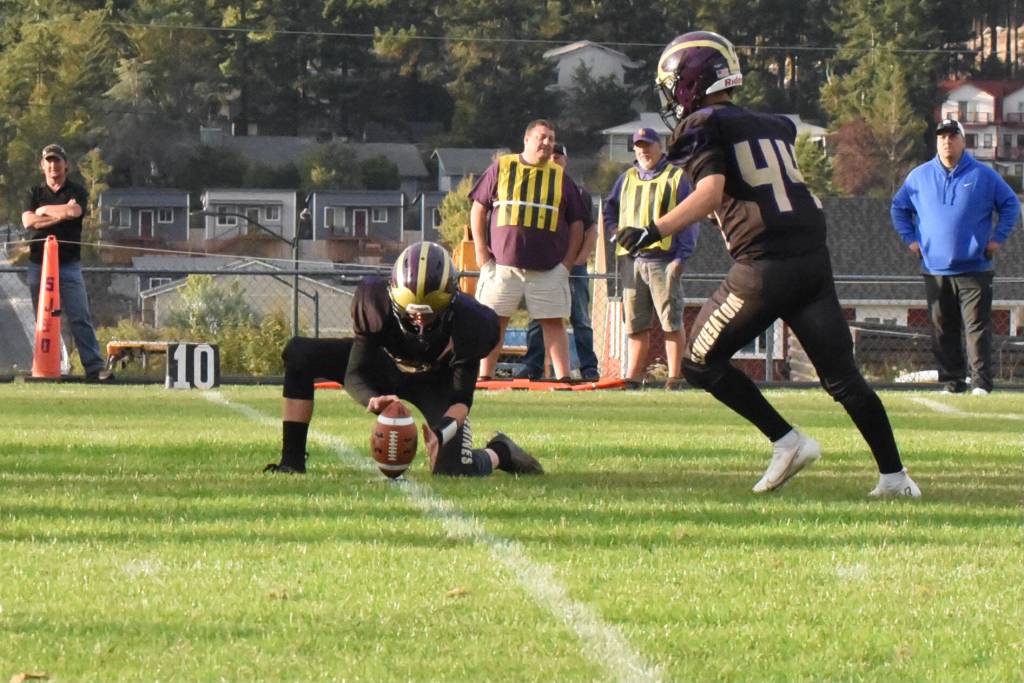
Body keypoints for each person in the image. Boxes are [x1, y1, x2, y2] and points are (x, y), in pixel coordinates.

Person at [617, 31, 920, 497]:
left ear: (690, 84)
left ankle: (787, 440)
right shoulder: (773, 123)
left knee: (698, 362)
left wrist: (653, 230)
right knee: (843, 379)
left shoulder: (702, 124)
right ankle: (895, 477)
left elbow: (711, 191)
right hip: (812, 261)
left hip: (763, 265)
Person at [265, 241, 543, 477]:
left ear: (450, 300)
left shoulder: (472, 322)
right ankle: (292, 462)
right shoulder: (373, 303)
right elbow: (356, 372)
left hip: (435, 380)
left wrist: (441, 432)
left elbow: (461, 399)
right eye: (411, 313)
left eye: (431, 313)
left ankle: (501, 453)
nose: (420, 321)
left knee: (454, 469)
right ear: (393, 297)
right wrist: (372, 399)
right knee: (299, 353)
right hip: (383, 367)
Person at [891, 118, 1020, 396]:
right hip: (935, 268)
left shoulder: (983, 176)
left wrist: (997, 240)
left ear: (963, 141)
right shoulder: (919, 176)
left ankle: (980, 384)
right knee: (942, 329)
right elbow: (899, 208)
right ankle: (953, 382)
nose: (947, 142)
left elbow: (1011, 205)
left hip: (975, 267)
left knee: (976, 328)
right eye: (941, 137)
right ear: (936, 142)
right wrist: (911, 241)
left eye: (952, 136)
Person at [469, 119, 587, 380]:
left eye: (551, 139)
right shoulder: (502, 167)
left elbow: (577, 222)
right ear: (526, 139)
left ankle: (563, 378)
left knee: (554, 321)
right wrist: (481, 252)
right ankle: (484, 377)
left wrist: (567, 264)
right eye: (541, 137)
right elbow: (479, 207)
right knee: (493, 321)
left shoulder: (560, 177)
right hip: (502, 266)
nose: (547, 143)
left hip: (547, 269)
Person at [604, 127, 699, 390]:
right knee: (635, 323)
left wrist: (682, 256)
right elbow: (609, 210)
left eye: (648, 145)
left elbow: (690, 219)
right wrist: (615, 233)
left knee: (671, 320)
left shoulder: (676, 177)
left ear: (661, 147)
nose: (643, 150)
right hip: (631, 260)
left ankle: (675, 376)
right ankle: (632, 377)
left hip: (663, 258)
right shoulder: (626, 178)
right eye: (638, 146)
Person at [21, 143, 111, 382]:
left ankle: (94, 366)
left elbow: (74, 212)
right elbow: (28, 222)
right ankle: (44, 365)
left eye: (57, 161)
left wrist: (44, 212)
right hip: (39, 263)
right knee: (41, 318)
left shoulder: (77, 190)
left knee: (79, 316)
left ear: (65, 165)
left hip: (69, 264)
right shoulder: (33, 192)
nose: (53, 166)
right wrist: (57, 213)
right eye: (48, 162)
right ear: (42, 166)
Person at [516, 143, 600, 380]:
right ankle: (532, 366)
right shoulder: (536, 189)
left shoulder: (579, 192)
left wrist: (579, 259)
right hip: (543, 266)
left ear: (566, 160)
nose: (555, 160)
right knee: (537, 317)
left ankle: (588, 368)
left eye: (559, 156)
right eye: (551, 156)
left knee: (580, 318)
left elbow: (590, 230)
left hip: (573, 267)